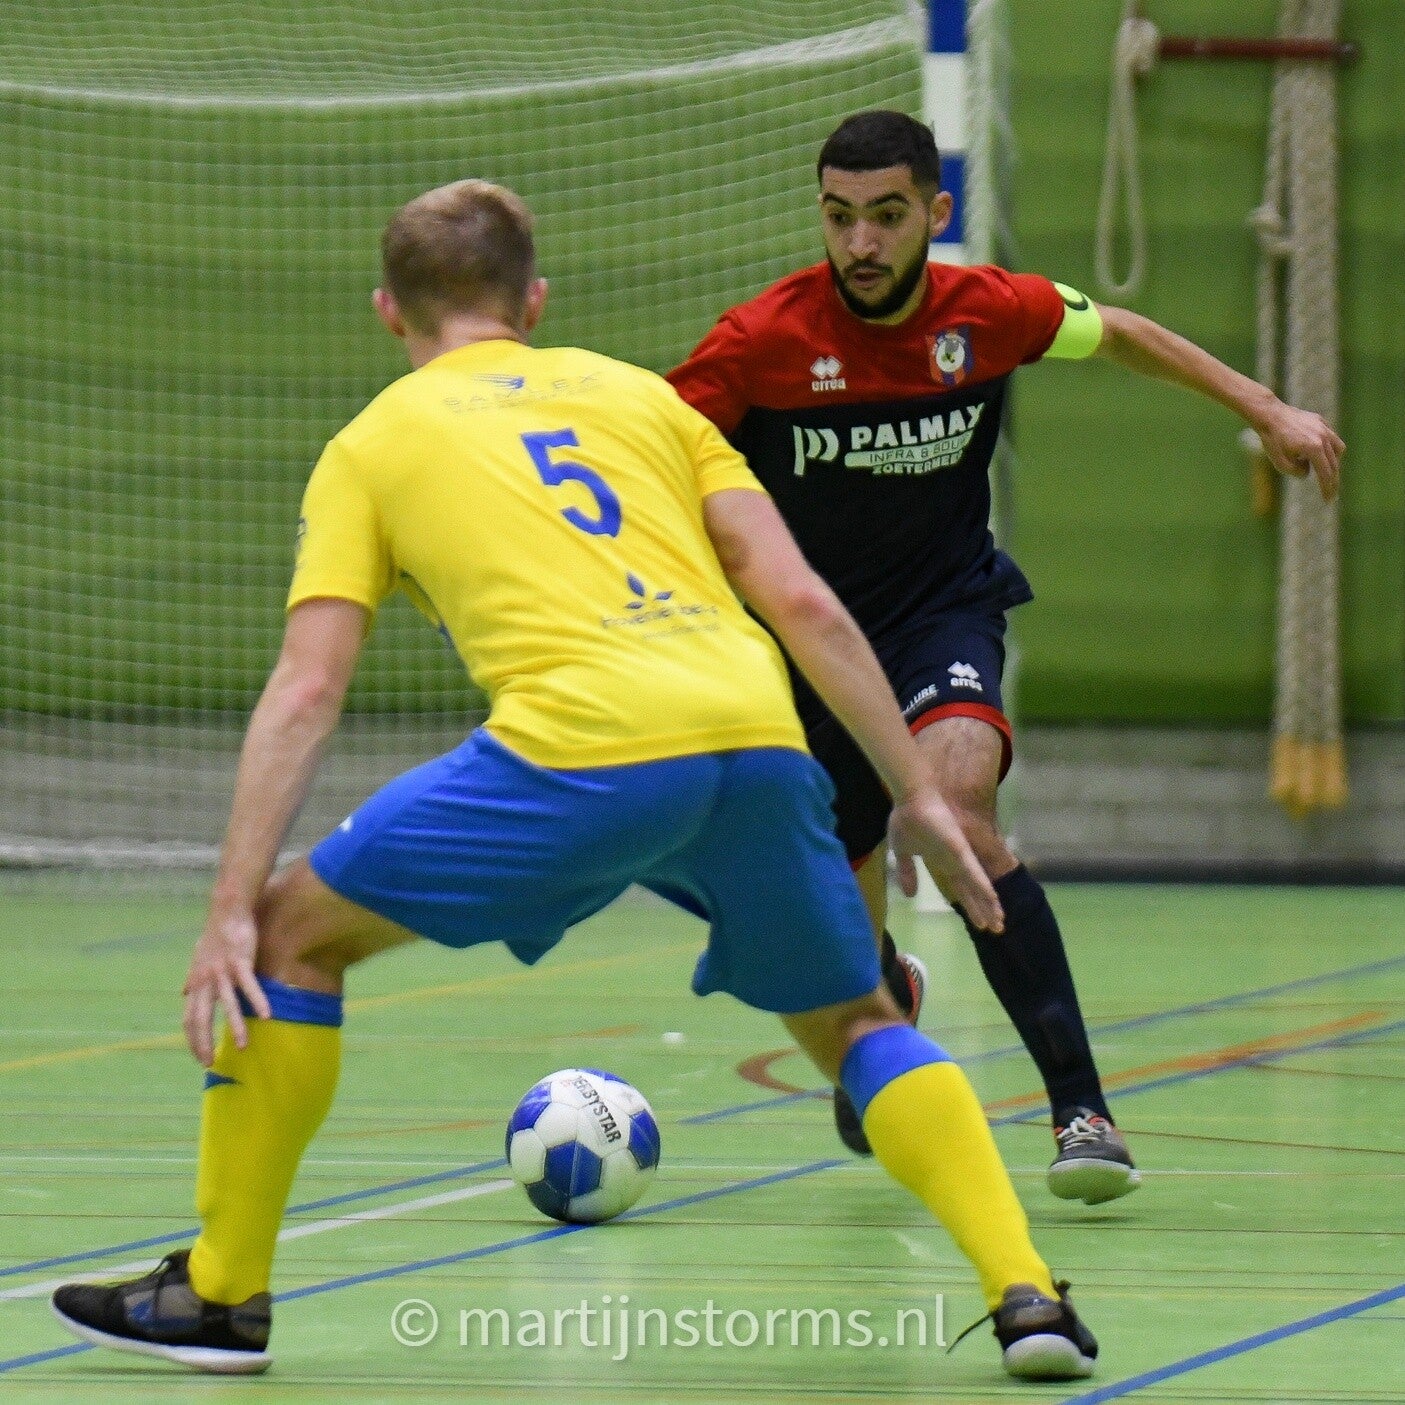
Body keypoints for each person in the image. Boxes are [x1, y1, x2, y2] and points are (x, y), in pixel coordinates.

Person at [51, 179, 1101, 1382]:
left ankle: (221, 1294)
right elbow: (801, 599)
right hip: (758, 737)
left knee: (290, 934)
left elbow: (307, 688)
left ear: (388, 310)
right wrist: (912, 784)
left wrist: (226, 906)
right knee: (858, 1017)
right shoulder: (643, 399)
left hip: (584, 746)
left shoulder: (372, 443)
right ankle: (1026, 1294)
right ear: (535, 301)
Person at [667, 110, 1343, 1202]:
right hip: (806, 650)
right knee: (837, 931)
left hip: (942, 615)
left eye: (887, 216)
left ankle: (1082, 1109)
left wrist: (1265, 407)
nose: (861, 244)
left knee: (958, 816)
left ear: (936, 212)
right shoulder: (759, 342)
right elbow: (649, 448)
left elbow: (1118, 331)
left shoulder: (988, 312)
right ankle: (883, 992)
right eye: (839, 217)